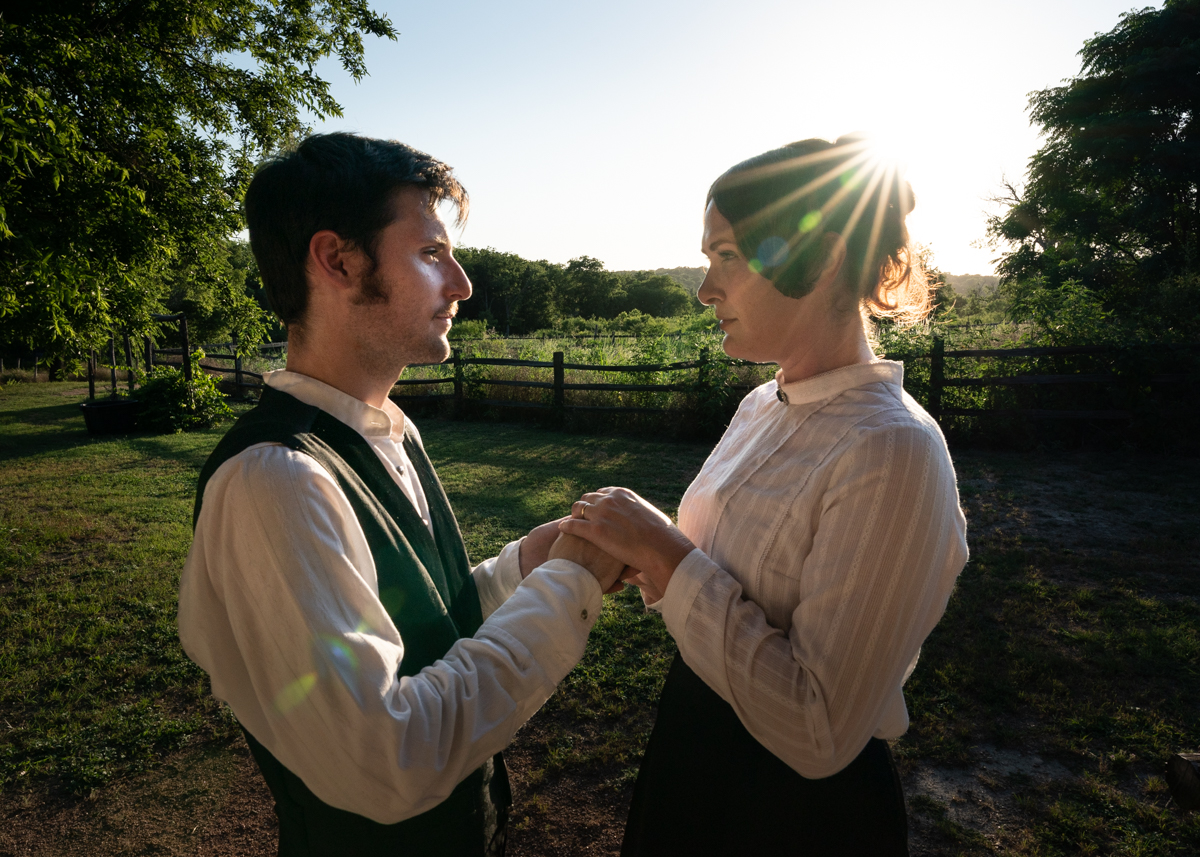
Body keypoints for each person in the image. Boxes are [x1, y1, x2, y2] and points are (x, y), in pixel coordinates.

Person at [177, 132, 626, 857]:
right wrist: (569, 586)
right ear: (339, 261)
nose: (462, 283)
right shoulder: (277, 479)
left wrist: (524, 566)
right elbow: (386, 760)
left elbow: (422, 632)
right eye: (429, 253)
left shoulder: (389, 429)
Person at [560, 135, 970, 856]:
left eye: (725, 256)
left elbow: (822, 733)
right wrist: (641, 557)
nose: (703, 288)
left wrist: (663, 549)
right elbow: (715, 570)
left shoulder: (892, 448)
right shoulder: (759, 403)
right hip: (692, 749)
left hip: (794, 813)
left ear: (823, 255)